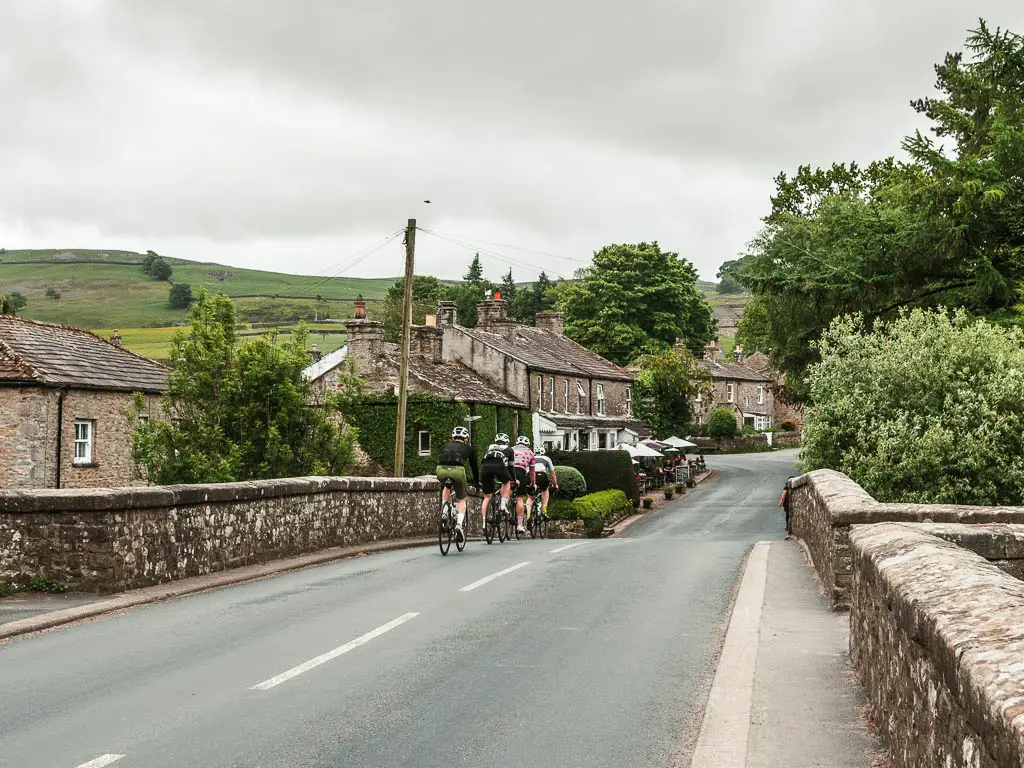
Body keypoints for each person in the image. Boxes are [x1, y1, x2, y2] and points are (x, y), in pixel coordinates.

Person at [435, 426, 479, 541]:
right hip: (458, 471)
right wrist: (477, 483)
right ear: (466, 439)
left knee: (446, 487)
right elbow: (474, 468)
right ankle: (459, 524)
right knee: (461, 499)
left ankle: (444, 512)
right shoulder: (469, 448)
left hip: (440, 470)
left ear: (453, 437)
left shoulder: (444, 445)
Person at [479, 433, 515, 531]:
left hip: (485, 469)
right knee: (506, 481)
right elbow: (511, 467)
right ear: (507, 442)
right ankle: (503, 505)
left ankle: (483, 522)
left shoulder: (490, 447)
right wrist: (513, 479)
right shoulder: (510, 449)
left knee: (487, 496)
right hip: (499, 466)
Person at [511, 436, 536, 534]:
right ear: (527, 444)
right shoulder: (530, 452)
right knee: (519, 498)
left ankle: (503, 506)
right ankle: (520, 525)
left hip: (509, 470)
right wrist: (533, 484)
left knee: (506, 493)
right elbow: (532, 472)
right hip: (521, 471)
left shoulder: (511, 449)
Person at [532, 446, 558, 515]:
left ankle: (528, 514)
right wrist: (555, 485)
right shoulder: (546, 458)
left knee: (530, 494)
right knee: (545, 489)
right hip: (542, 476)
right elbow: (552, 473)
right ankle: (544, 508)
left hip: (531, 476)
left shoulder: (531, 458)